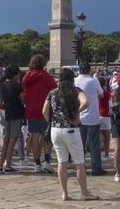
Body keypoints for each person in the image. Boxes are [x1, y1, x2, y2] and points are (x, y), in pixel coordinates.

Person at [42, 68, 98, 201]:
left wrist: (52, 121)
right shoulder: (75, 91)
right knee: (79, 162)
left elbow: (44, 111)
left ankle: (64, 193)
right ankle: (84, 192)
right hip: (71, 129)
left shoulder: (52, 93)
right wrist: (75, 113)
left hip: (55, 130)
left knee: (62, 162)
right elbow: (86, 102)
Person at [22, 54, 57, 174]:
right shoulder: (45, 76)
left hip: (31, 109)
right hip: (44, 110)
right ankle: (46, 160)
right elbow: (54, 89)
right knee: (47, 136)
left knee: (35, 136)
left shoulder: (26, 77)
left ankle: (37, 163)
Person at [74, 63, 105, 175]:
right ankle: (96, 168)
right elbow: (101, 94)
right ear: (88, 70)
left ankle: (80, 167)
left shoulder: (75, 80)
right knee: (94, 144)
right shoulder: (93, 81)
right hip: (92, 116)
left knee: (79, 144)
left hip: (79, 116)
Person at [0, 64, 25, 173]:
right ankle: (8, 165)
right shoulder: (17, 86)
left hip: (7, 112)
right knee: (13, 140)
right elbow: (22, 98)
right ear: (15, 74)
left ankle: (0, 165)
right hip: (16, 113)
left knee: (6, 140)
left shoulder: (3, 85)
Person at [98, 77, 112, 162]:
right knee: (107, 137)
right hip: (105, 115)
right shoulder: (105, 92)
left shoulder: (95, 91)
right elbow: (111, 96)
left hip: (97, 115)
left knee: (99, 137)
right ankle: (106, 154)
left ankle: (99, 154)